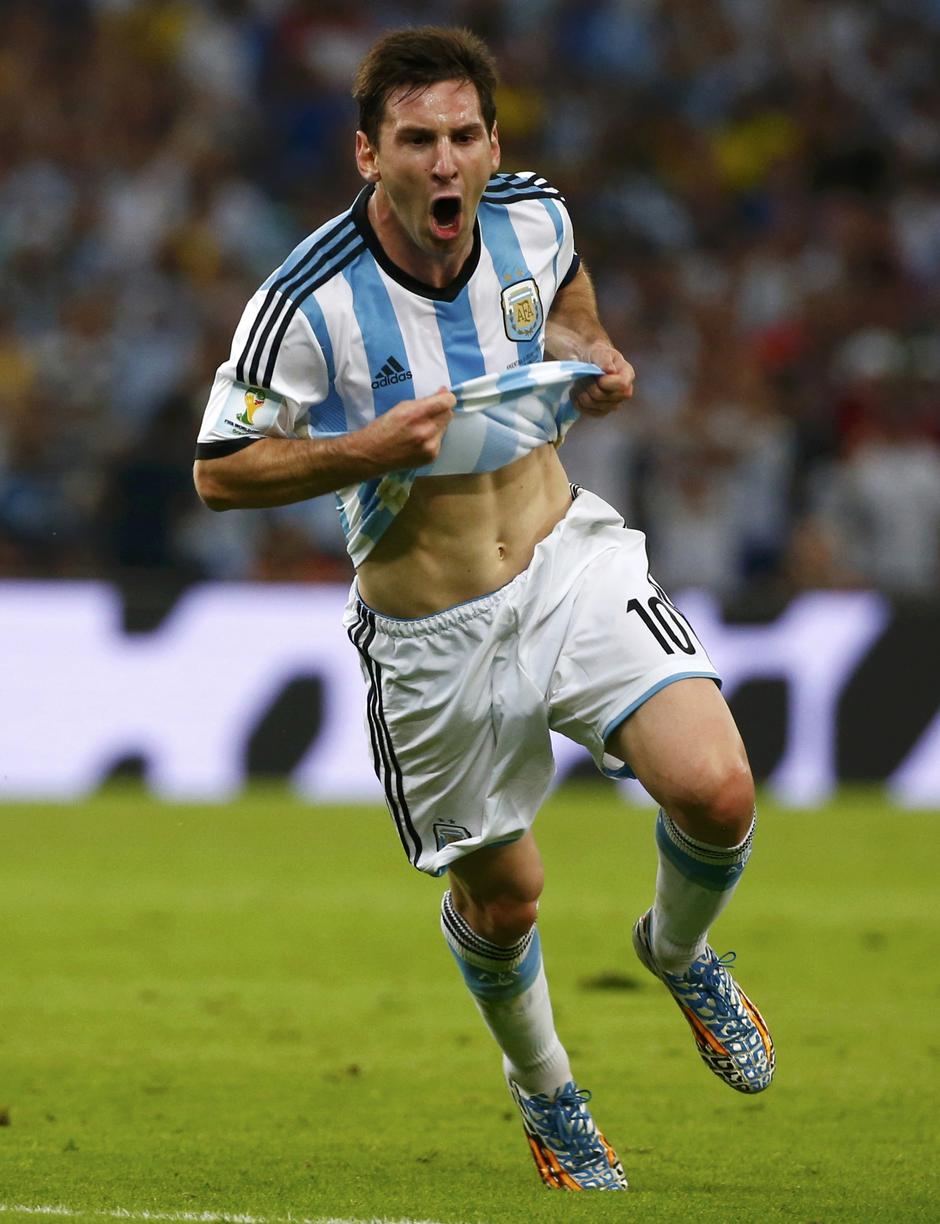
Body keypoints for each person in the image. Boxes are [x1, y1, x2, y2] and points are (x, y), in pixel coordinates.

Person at [193, 25, 774, 1192]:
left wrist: (596, 355)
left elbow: (564, 301)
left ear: (493, 142)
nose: (445, 162)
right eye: (417, 140)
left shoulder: (536, 214)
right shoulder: (306, 299)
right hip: (431, 631)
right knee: (506, 901)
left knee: (716, 789)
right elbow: (217, 469)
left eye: (464, 136)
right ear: (368, 154)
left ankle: (678, 950)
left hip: (566, 559)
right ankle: (549, 1094)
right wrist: (360, 449)